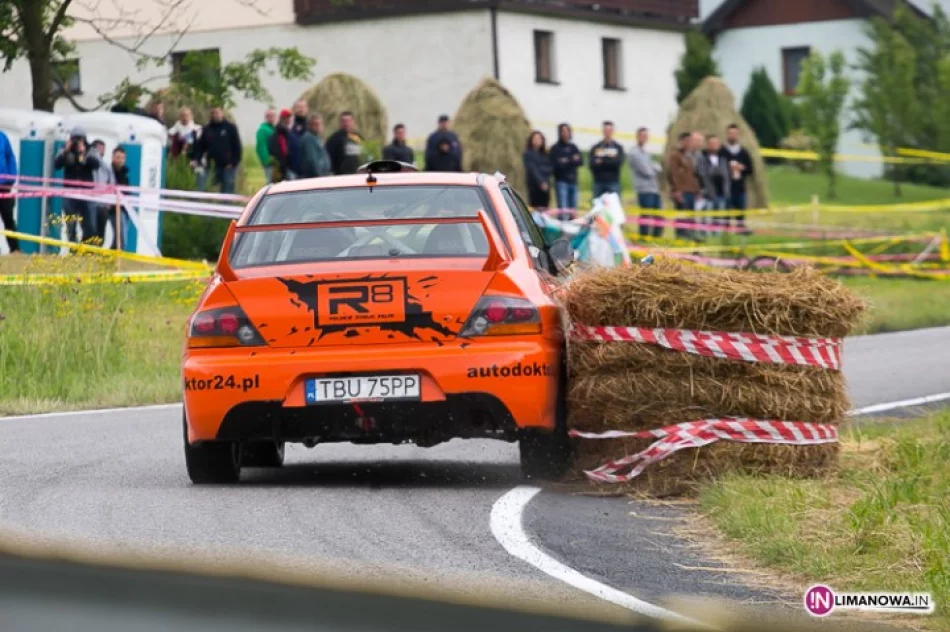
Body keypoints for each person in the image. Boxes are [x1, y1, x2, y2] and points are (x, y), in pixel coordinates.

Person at [54, 127, 101, 244]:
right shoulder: (65, 149)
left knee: (89, 224)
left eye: (79, 139)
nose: (77, 142)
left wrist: (83, 153)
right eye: (75, 139)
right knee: (70, 223)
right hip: (70, 192)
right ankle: (73, 248)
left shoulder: (91, 149)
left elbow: (96, 164)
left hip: (87, 193)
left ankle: (87, 248)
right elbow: (57, 164)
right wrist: (65, 151)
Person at [191, 106, 241, 194]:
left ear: (222, 113)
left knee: (227, 191)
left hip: (227, 166)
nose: (215, 115)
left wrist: (233, 162)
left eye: (217, 113)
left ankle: (226, 207)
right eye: (213, 113)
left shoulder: (230, 128)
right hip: (210, 166)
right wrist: (196, 159)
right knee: (204, 187)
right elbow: (200, 147)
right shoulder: (206, 129)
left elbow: (237, 146)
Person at [665, 131, 700, 241]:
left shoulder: (691, 157)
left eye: (691, 141)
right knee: (682, 217)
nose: (689, 143)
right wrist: (676, 190)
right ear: (682, 142)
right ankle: (681, 238)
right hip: (681, 191)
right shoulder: (675, 155)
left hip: (691, 191)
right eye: (687, 141)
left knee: (690, 216)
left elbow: (694, 175)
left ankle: (690, 237)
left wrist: (697, 190)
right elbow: (672, 173)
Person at [629, 126, 663, 239]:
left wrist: (653, 167)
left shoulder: (646, 152)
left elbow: (658, 167)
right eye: (642, 135)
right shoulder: (634, 153)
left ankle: (655, 238)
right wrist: (653, 167)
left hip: (654, 188)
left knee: (659, 216)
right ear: (638, 136)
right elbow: (647, 171)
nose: (645, 138)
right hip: (644, 189)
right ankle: (644, 237)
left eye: (646, 136)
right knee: (646, 216)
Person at [721, 123, 754, 232]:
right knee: (726, 213)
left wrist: (742, 168)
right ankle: (726, 232)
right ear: (727, 134)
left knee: (740, 212)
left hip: (740, 187)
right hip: (726, 187)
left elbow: (750, 170)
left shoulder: (744, 152)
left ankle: (741, 230)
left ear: (738, 134)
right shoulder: (722, 151)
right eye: (730, 133)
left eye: (735, 133)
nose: (732, 135)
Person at [696, 134, 731, 234]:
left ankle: (717, 236)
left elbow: (726, 176)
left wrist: (727, 191)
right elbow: (702, 174)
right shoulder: (702, 159)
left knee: (719, 218)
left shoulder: (723, 159)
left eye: (716, 143)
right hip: (709, 194)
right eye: (711, 143)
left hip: (722, 194)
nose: (714, 145)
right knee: (707, 218)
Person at [549, 123, 582, 210]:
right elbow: (556, 165)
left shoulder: (573, 147)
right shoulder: (555, 148)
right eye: (563, 131)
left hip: (573, 181)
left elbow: (580, 162)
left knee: (573, 209)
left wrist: (565, 160)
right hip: (561, 181)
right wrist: (572, 159)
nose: (565, 133)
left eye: (567, 131)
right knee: (563, 209)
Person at [589, 121, 625, 199]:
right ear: (603, 131)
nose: (607, 132)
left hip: (613, 182)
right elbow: (592, 163)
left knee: (613, 208)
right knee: (598, 207)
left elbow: (618, 163)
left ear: (613, 131)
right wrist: (610, 159)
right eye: (606, 130)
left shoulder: (618, 147)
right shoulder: (596, 147)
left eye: (609, 130)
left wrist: (602, 161)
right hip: (598, 182)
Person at [90, 139, 115, 245]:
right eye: (99, 149)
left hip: (103, 205)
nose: (102, 152)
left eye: (103, 149)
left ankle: (98, 256)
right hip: (90, 204)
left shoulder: (106, 166)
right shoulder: (88, 164)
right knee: (90, 231)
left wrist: (108, 204)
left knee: (101, 233)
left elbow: (111, 184)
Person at [269, 109, 303, 182]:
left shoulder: (291, 131)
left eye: (289, 117)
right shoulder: (279, 133)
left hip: (295, 167)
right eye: (286, 117)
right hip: (287, 168)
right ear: (282, 118)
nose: (288, 119)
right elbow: (281, 152)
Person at [106, 147, 130, 250]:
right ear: (112, 158)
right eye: (118, 157)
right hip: (113, 208)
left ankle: (111, 260)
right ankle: (116, 260)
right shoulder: (109, 173)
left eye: (122, 158)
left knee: (119, 238)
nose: (120, 160)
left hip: (124, 209)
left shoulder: (125, 174)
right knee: (121, 239)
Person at [523, 131, 553, 209]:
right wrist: (541, 182)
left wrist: (544, 180)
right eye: (535, 138)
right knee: (535, 209)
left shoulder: (545, 154)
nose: (537, 140)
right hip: (534, 186)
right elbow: (532, 169)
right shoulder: (528, 154)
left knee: (545, 208)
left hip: (546, 185)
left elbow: (550, 168)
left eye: (539, 139)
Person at [0, 129, 18, 253]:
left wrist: (11, 177)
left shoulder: (2, 137)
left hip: (4, 186)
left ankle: (15, 249)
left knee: (8, 218)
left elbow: (10, 157)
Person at [256, 108, 277, 184]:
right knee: (270, 181)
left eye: (274, 116)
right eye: (270, 116)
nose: (272, 118)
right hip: (269, 162)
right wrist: (266, 161)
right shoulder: (262, 130)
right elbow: (261, 147)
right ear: (266, 117)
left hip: (276, 161)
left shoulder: (274, 129)